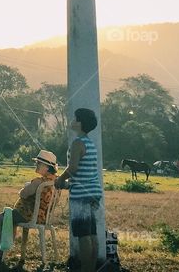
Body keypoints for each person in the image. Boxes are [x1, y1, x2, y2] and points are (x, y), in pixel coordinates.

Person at [0, 149, 58, 267]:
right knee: (10, 217)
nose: (36, 165)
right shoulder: (55, 181)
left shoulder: (38, 182)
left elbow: (23, 194)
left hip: (28, 215)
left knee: (0, 218)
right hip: (42, 217)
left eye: (39, 163)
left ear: (47, 167)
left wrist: (25, 188)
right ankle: (2, 251)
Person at [55, 108, 103, 272]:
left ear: (81, 123)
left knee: (83, 235)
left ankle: (85, 269)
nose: (72, 120)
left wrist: (60, 179)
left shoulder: (77, 143)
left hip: (81, 196)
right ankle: (91, 268)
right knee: (91, 233)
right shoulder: (90, 143)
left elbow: (73, 168)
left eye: (75, 118)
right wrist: (69, 185)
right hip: (93, 192)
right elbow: (84, 174)